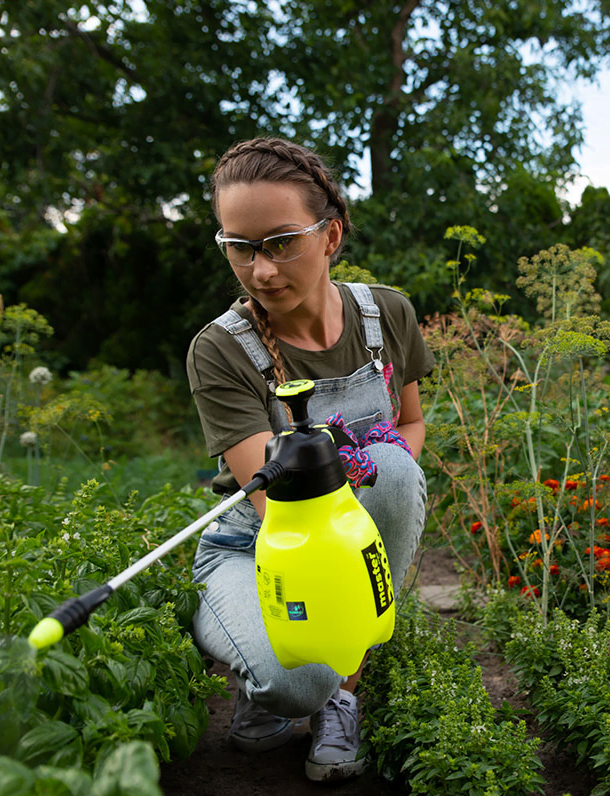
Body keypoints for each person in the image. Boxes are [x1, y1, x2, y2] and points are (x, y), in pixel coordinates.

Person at [185, 137, 433, 782]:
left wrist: (379, 491)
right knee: (294, 683)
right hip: (261, 544)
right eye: (240, 247)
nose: (261, 269)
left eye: (281, 241)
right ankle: (270, 683)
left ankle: (344, 692)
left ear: (330, 236)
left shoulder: (387, 316)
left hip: (350, 532)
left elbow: (409, 421)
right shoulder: (220, 350)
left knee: (396, 467)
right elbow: (275, 508)